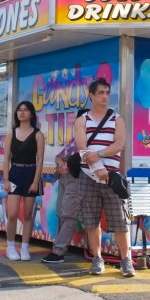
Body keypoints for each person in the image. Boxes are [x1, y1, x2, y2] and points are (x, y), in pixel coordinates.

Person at [74, 77, 135, 278]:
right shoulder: (82, 120)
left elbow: (119, 145)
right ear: (91, 95)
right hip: (87, 175)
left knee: (119, 220)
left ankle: (126, 260)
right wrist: (97, 167)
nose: (105, 97)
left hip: (112, 176)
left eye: (107, 93)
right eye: (100, 93)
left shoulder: (117, 119)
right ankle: (97, 259)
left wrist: (99, 157)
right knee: (91, 221)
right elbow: (82, 148)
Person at [41, 108, 88, 264]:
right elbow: (58, 156)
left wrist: (69, 164)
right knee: (61, 213)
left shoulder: (92, 140)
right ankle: (57, 247)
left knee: (69, 215)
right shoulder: (75, 139)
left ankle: (59, 251)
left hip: (77, 179)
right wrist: (61, 163)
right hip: (64, 179)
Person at [2, 100, 45, 262]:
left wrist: (35, 181)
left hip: (30, 173)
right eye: (19, 110)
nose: (22, 112)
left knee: (27, 214)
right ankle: (10, 246)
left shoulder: (38, 135)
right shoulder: (11, 133)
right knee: (12, 214)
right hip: (15, 174)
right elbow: (6, 158)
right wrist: (6, 178)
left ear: (31, 114)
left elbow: (40, 160)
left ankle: (25, 247)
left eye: (26, 110)